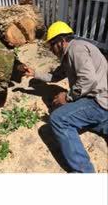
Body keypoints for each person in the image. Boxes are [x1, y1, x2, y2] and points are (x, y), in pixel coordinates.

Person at [23, 21, 108, 173]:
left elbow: (88, 80)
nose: (51, 50)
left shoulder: (77, 49)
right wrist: (34, 73)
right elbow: (55, 76)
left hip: (97, 102)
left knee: (58, 119)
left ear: (61, 41)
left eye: (52, 45)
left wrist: (67, 97)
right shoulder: (69, 53)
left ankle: (84, 172)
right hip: (102, 102)